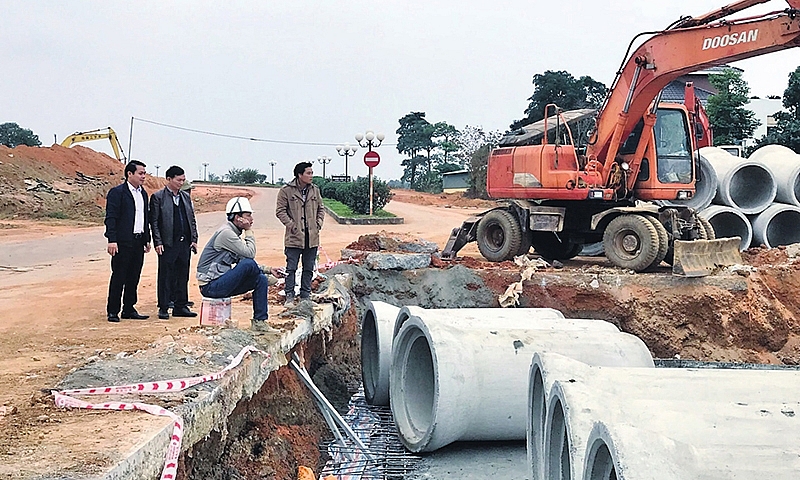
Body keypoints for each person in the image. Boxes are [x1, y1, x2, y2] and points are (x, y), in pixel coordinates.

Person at [196, 197, 283, 331]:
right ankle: (263, 278)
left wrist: (268, 270)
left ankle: (260, 322)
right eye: (248, 215)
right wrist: (248, 230)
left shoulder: (233, 235)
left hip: (220, 283)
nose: (251, 219)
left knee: (261, 279)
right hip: (210, 287)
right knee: (249, 263)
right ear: (237, 217)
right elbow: (250, 254)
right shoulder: (226, 233)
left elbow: (243, 260)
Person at [104, 160, 151, 322]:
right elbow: (111, 218)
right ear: (129, 174)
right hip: (123, 242)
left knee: (134, 276)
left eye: (144, 173)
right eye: (140, 173)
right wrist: (112, 239)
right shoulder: (117, 193)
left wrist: (147, 239)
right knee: (119, 276)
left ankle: (129, 308)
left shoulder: (143, 193)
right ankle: (113, 310)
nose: (143, 176)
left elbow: (145, 218)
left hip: (138, 241)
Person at [150, 166, 198, 320]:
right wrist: (158, 241)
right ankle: (163, 307)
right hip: (167, 243)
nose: (181, 183)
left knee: (183, 275)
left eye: (183, 180)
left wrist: (194, 239)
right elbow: (155, 222)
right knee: (165, 275)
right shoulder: (158, 197)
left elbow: (191, 219)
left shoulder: (185, 197)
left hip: (184, 243)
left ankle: (180, 306)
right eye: (179, 180)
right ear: (169, 179)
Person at [276, 161, 324, 307]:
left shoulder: (314, 190)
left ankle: (305, 296)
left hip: (312, 237)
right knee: (291, 268)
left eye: (312, 173)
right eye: (308, 173)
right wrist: (292, 226)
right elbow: (280, 211)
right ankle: (289, 296)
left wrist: (318, 224)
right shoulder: (286, 191)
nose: (311, 176)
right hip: (294, 237)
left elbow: (321, 208)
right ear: (299, 174)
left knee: (309, 268)